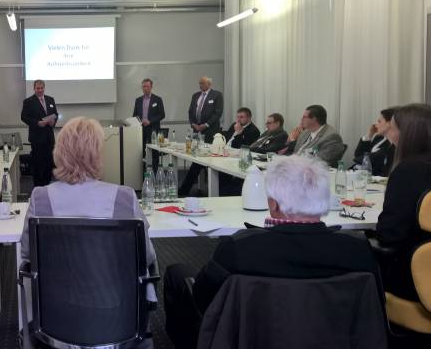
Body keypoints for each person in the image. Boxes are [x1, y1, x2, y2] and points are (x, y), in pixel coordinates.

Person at [164, 156, 382, 348]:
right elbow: (373, 309)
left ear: (273, 204)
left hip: (246, 339)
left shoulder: (239, 248)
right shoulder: (358, 248)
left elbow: (203, 299)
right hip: (337, 339)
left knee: (176, 273)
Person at [20, 116, 155, 267]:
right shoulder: (125, 197)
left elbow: (27, 252)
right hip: (112, 282)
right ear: (98, 154)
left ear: (58, 152)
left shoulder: (40, 198)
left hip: (55, 282)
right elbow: (146, 256)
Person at [375, 103, 431, 301]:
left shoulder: (409, 171)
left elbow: (390, 235)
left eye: (392, 128)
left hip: (413, 279)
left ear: (407, 135)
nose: (389, 134)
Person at [179, 107, 260, 197]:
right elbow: (227, 138)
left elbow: (243, 148)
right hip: (223, 152)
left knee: (217, 168)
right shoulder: (234, 125)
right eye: (237, 117)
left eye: (241, 117)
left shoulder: (254, 131)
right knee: (197, 163)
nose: (238, 120)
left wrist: (239, 133)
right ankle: (183, 190)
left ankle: (218, 194)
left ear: (249, 118)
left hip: (234, 157)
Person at [21, 79, 59, 187]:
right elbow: (24, 117)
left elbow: (55, 114)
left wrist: (53, 121)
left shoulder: (50, 99)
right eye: (38, 88)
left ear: (44, 88)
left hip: (49, 138)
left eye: (42, 88)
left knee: (49, 163)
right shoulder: (28, 101)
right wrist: (37, 123)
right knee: (37, 163)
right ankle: (38, 186)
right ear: (34, 89)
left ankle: (47, 184)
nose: (40, 90)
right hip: (37, 138)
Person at [133, 78, 166, 172]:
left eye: (147, 86)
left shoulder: (157, 99)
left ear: (151, 87)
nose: (145, 88)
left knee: (155, 152)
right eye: (144, 86)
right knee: (140, 151)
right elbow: (135, 115)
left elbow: (162, 115)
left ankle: (155, 173)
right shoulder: (138, 100)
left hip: (153, 129)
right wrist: (137, 122)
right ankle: (141, 172)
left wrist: (150, 121)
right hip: (141, 129)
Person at [353, 108, 395, 177]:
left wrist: (360, 159)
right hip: (360, 172)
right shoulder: (378, 138)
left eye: (379, 121)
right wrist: (369, 135)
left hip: (374, 176)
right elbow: (358, 154)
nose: (375, 125)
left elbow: (365, 159)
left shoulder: (392, 143)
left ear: (389, 124)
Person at [187, 76, 223, 143]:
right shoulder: (195, 95)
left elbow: (218, 113)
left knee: (208, 148)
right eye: (199, 83)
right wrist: (193, 124)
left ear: (209, 84)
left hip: (211, 129)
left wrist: (206, 124)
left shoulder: (217, 95)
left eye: (202, 83)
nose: (200, 85)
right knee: (196, 147)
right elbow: (190, 112)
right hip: (197, 129)